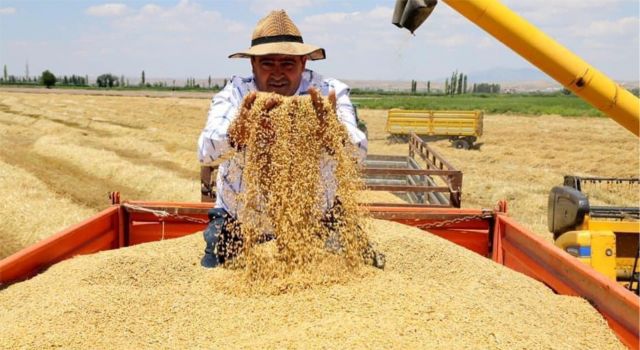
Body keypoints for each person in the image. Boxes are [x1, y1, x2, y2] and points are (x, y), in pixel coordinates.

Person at [197, 9, 376, 268]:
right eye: (268, 63)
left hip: (316, 216)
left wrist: (333, 135)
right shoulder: (236, 94)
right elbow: (206, 152)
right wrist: (237, 133)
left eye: (288, 64)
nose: (277, 73)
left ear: (304, 63)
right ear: (253, 65)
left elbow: (358, 152)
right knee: (213, 273)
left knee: (361, 269)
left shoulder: (328, 93)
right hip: (242, 219)